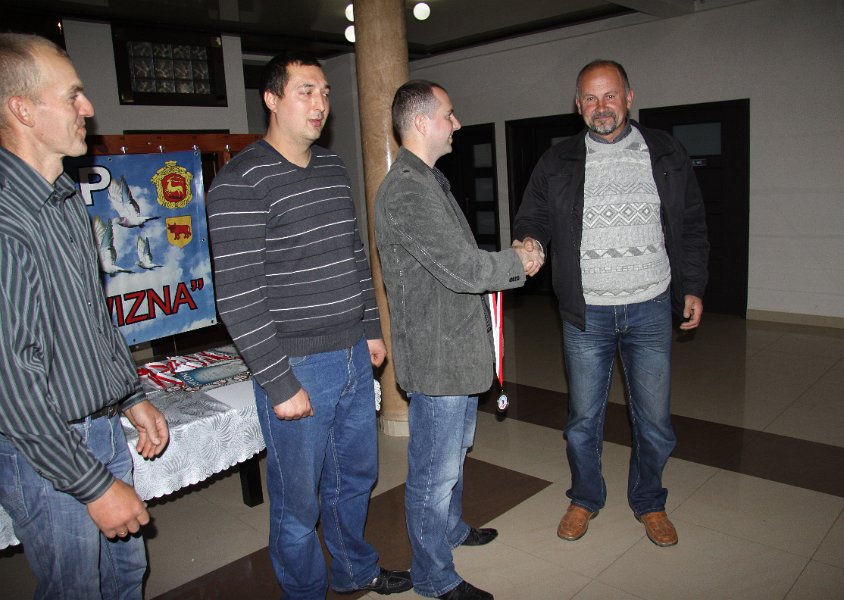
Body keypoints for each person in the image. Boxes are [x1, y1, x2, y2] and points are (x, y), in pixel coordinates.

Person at [205, 52, 411, 598]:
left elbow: (354, 255)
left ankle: (354, 568)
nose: (320, 103)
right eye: (305, 91)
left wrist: (371, 327)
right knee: (298, 504)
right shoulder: (239, 182)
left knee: (354, 478)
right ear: (272, 99)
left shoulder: (332, 168)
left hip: (351, 353)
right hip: (297, 364)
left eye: (324, 92)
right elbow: (238, 297)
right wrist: (279, 382)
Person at [0, 33, 170, 598]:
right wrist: (92, 485)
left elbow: (91, 317)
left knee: (125, 575)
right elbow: (12, 386)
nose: (89, 107)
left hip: (100, 425)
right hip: (45, 447)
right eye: (72, 95)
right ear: (23, 110)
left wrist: (130, 395)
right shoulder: (6, 219)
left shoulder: (67, 196)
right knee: (75, 589)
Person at [513, 59, 709, 547]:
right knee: (583, 420)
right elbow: (533, 216)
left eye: (610, 95)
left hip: (651, 306)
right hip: (586, 312)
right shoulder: (558, 160)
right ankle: (584, 497)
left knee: (655, 421)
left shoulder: (665, 150)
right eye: (590, 98)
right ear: (577, 104)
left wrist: (693, 286)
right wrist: (530, 242)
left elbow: (691, 224)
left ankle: (650, 501)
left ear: (629, 97)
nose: (601, 107)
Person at [375, 80, 543, 600]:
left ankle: (449, 530)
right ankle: (433, 576)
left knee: (454, 453)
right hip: (438, 358)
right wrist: (518, 261)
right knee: (433, 473)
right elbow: (463, 268)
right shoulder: (407, 189)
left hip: (456, 349)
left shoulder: (427, 180)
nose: (457, 123)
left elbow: (455, 262)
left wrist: (507, 259)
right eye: (449, 114)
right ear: (421, 121)